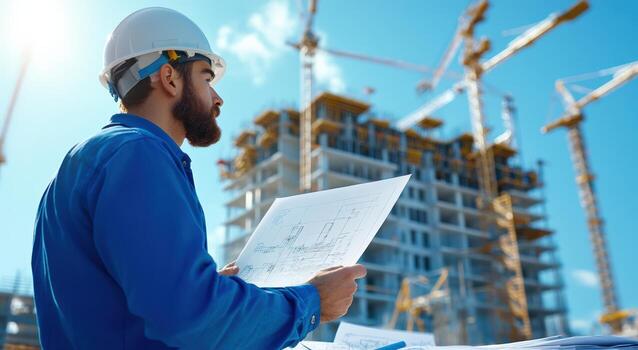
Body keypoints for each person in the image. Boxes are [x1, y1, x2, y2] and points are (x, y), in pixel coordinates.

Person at [31, 7, 366, 349]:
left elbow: (129, 309)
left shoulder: (75, 170)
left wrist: (203, 288)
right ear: (169, 77)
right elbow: (189, 319)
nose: (218, 98)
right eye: (207, 78)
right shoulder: (139, 155)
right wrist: (312, 302)